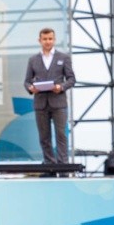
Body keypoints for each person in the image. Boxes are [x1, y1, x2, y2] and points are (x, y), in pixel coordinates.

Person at [23, 28, 76, 164]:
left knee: (61, 135)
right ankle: (50, 164)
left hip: (58, 102)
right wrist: (31, 88)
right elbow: (27, 81)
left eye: (50, 39)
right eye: (45, 39)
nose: (47, 41)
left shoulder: (63, 58)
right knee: (44, 137)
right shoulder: (33, 60)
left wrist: (61, 87)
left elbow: (71, 79)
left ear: (54, 40)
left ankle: (63, 165)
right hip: (41, 103)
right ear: (39, 41)